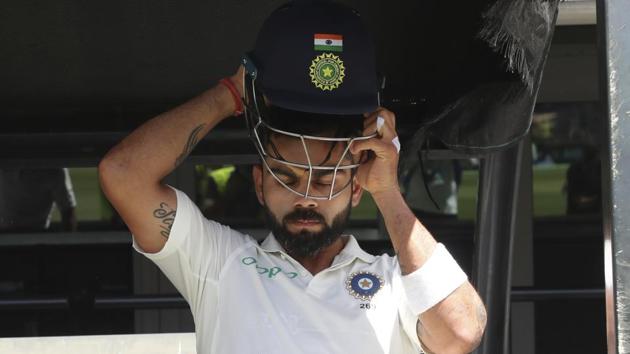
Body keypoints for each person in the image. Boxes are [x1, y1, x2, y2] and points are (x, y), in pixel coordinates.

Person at [99, 1, 486, 353]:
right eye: (285, 177)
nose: (305, 198)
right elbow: (123, 175)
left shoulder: (394, 279)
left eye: (324, 181)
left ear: (356, 189)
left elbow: (462, 332)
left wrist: (388, 193)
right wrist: (232, 93)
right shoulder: (221, 264)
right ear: (259, 184)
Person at [0, 167, 77, 232]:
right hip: (7, 234)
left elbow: (67, 211)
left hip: (37, 235)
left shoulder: (55, 170)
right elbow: (68, 210)